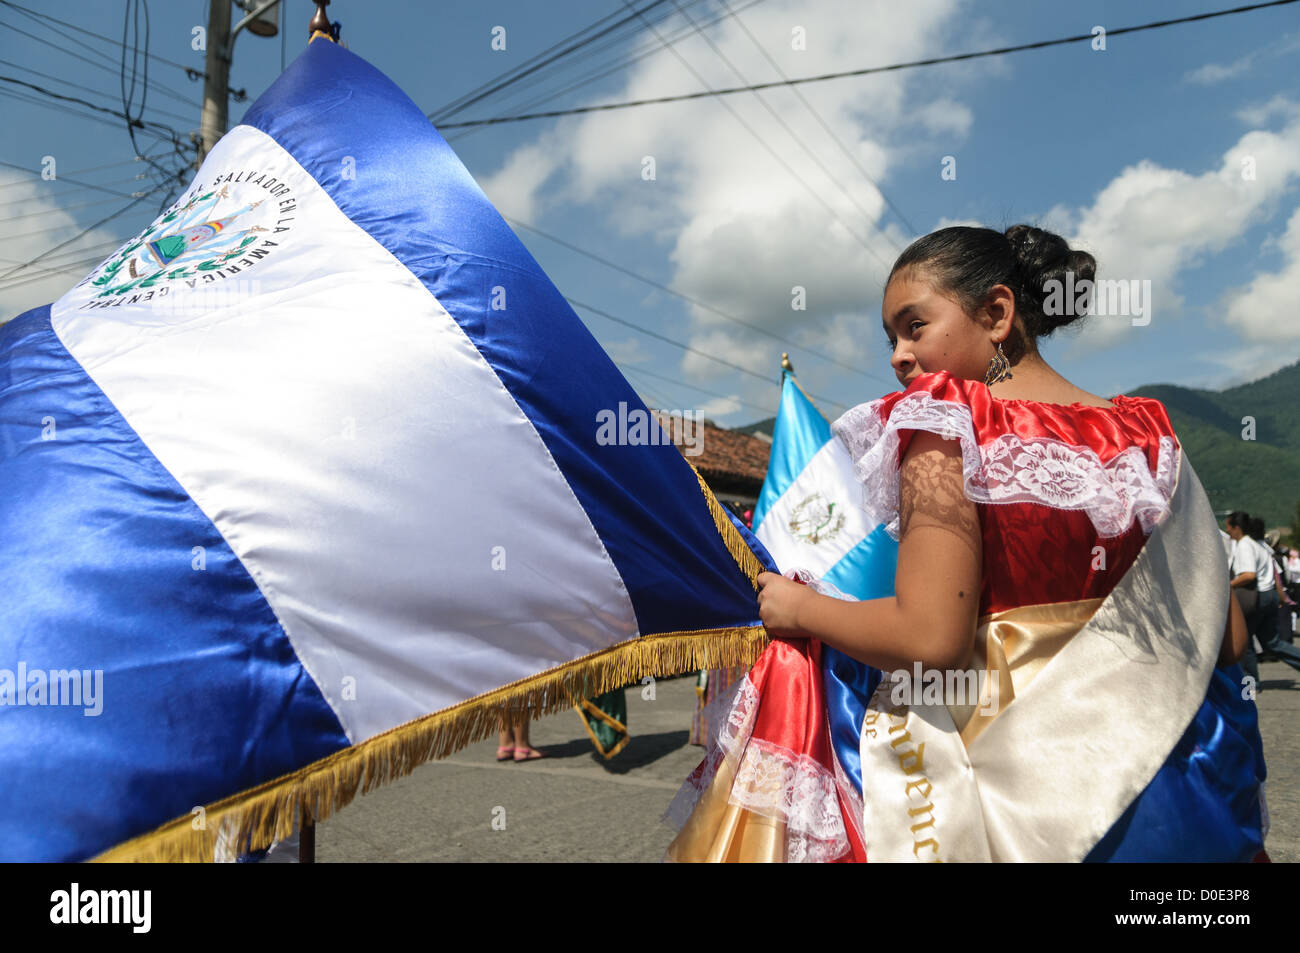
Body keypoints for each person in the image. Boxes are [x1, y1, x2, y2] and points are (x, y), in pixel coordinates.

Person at [666, 224, 1264, 862]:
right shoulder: (1149, 434)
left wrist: (799, 610)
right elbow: (1225, 637)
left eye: (913, 325)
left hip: (1026, 793)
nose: (898, 355)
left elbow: (931, 640)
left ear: (997, 313)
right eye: (891, 337)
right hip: (1176, 789)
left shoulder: (948, 425)